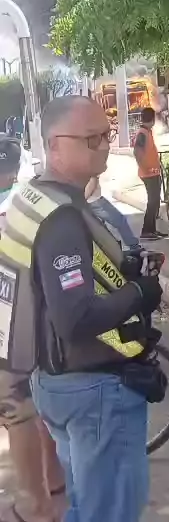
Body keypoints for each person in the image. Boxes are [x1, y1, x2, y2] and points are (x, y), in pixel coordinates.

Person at [1, 96, 165, 522]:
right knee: (109, 512)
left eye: (106, 135)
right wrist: (140, 293)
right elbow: (75, 318)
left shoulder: (33, 196)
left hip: (55, 380)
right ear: (55, 145)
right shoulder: (61, 219)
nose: (105, 145)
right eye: (91, 139)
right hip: (94, 391)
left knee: (86, 504)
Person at [0, 134, 66, 522]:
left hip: (12, 323)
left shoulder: (10, 207)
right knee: (31, 405)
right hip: (34, 319)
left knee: (16, 411)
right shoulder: (27, 199)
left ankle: (38, 506)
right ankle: (52, 479)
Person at [133, 107, 167, 240]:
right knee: (153, 202)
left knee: (155, 201)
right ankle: (147, 231)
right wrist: (145, 168)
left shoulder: (146, 132)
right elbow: (137, 152)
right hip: (148, 173)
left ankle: (151, 229)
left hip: (152, 172)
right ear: (152, 119)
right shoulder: (142, 133)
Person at [85, 176, 141, 250]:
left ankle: (113, 248)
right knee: (121, 221)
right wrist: (82, 198)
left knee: (101, 227)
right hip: (96, 202)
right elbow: (92, 182)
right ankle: (133, 246)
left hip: (92, 202)